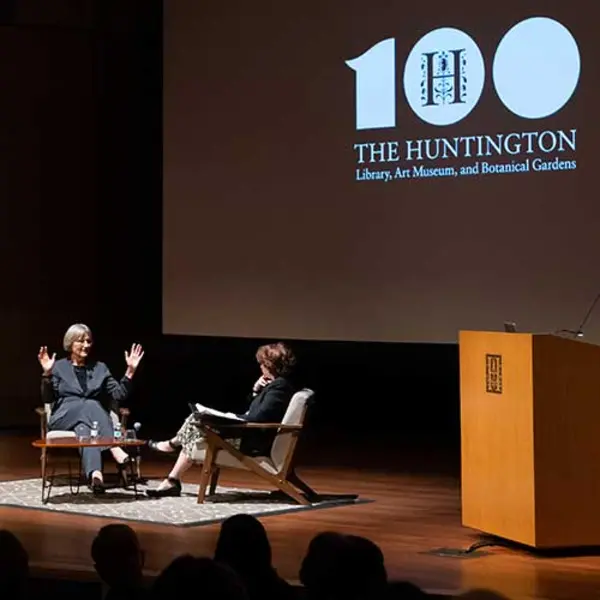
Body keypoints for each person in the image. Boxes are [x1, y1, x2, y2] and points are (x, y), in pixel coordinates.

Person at [146, 342, 297, 497]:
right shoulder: (275, 385)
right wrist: (255, 390)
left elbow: (257, 417)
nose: (260, 367)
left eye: (261, 364)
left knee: (197, 425)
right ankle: (172, 476)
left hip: (251, 440)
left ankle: (171, 451)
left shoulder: (279, 388)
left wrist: (232, 418)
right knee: (197, 421)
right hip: (249, 432)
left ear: (269, 365)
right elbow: (255, 410)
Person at [38, 323, 144, 493]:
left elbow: (118, 394)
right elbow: (48, 398)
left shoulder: (100, 368)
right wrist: (47, 374)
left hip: (91, 421)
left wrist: (130, 371)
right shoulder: (57, 367)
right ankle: (113, 446)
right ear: (70, 343)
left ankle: (95, 476)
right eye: (81, 341)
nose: (86, 345)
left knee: (87, 431)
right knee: (89, 403)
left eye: (89, 341)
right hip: (63, 417)